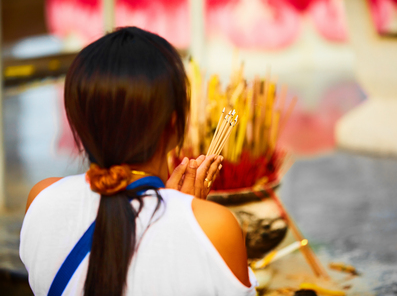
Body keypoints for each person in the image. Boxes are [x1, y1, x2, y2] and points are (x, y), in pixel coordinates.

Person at [20, 27, 257, 296]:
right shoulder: (213, 227)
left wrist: (176, 209)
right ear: (175, 123)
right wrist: (187, 215)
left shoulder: (41, 199)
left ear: (77, 122)